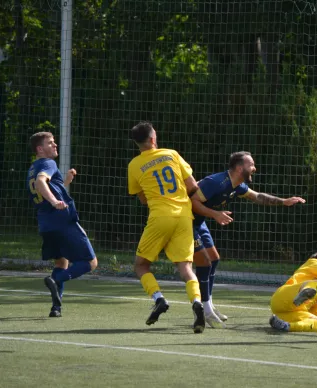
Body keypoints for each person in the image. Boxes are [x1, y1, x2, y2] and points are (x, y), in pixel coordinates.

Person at [191, 151, 306, 328]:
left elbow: (257, 196)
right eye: (251, 164)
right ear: (239, 168)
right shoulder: (215, 182)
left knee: (214, 259)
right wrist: (215, 214)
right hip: (185, 222)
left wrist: (284, 201)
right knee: (205, 263)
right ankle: (204, 309)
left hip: (199, 223)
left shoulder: (237, 185)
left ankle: (209, 305)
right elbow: (192, 202)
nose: (254, 168)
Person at [128, 121, 206, 333]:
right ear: (153, 139)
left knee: (141, 265)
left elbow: (143, 200)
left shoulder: (134, 165)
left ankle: (159, 298)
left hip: (160, 217)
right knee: (186, 268)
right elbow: (193, 186)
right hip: (183, 216)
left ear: (137, 143)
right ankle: (196, 303)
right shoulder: (171, 154)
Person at [27, 131, 98, 318]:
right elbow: (43, 183)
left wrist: (65, 181)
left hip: (46, 225)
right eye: (50, 143)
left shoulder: (32, 168)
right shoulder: (47, 163)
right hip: (63, 221)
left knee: (62, 261)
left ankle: (56, 307)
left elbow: (48, 187)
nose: (55, 145)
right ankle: (55, 278)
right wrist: (54, 202)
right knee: (91, 263)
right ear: (40, 149)